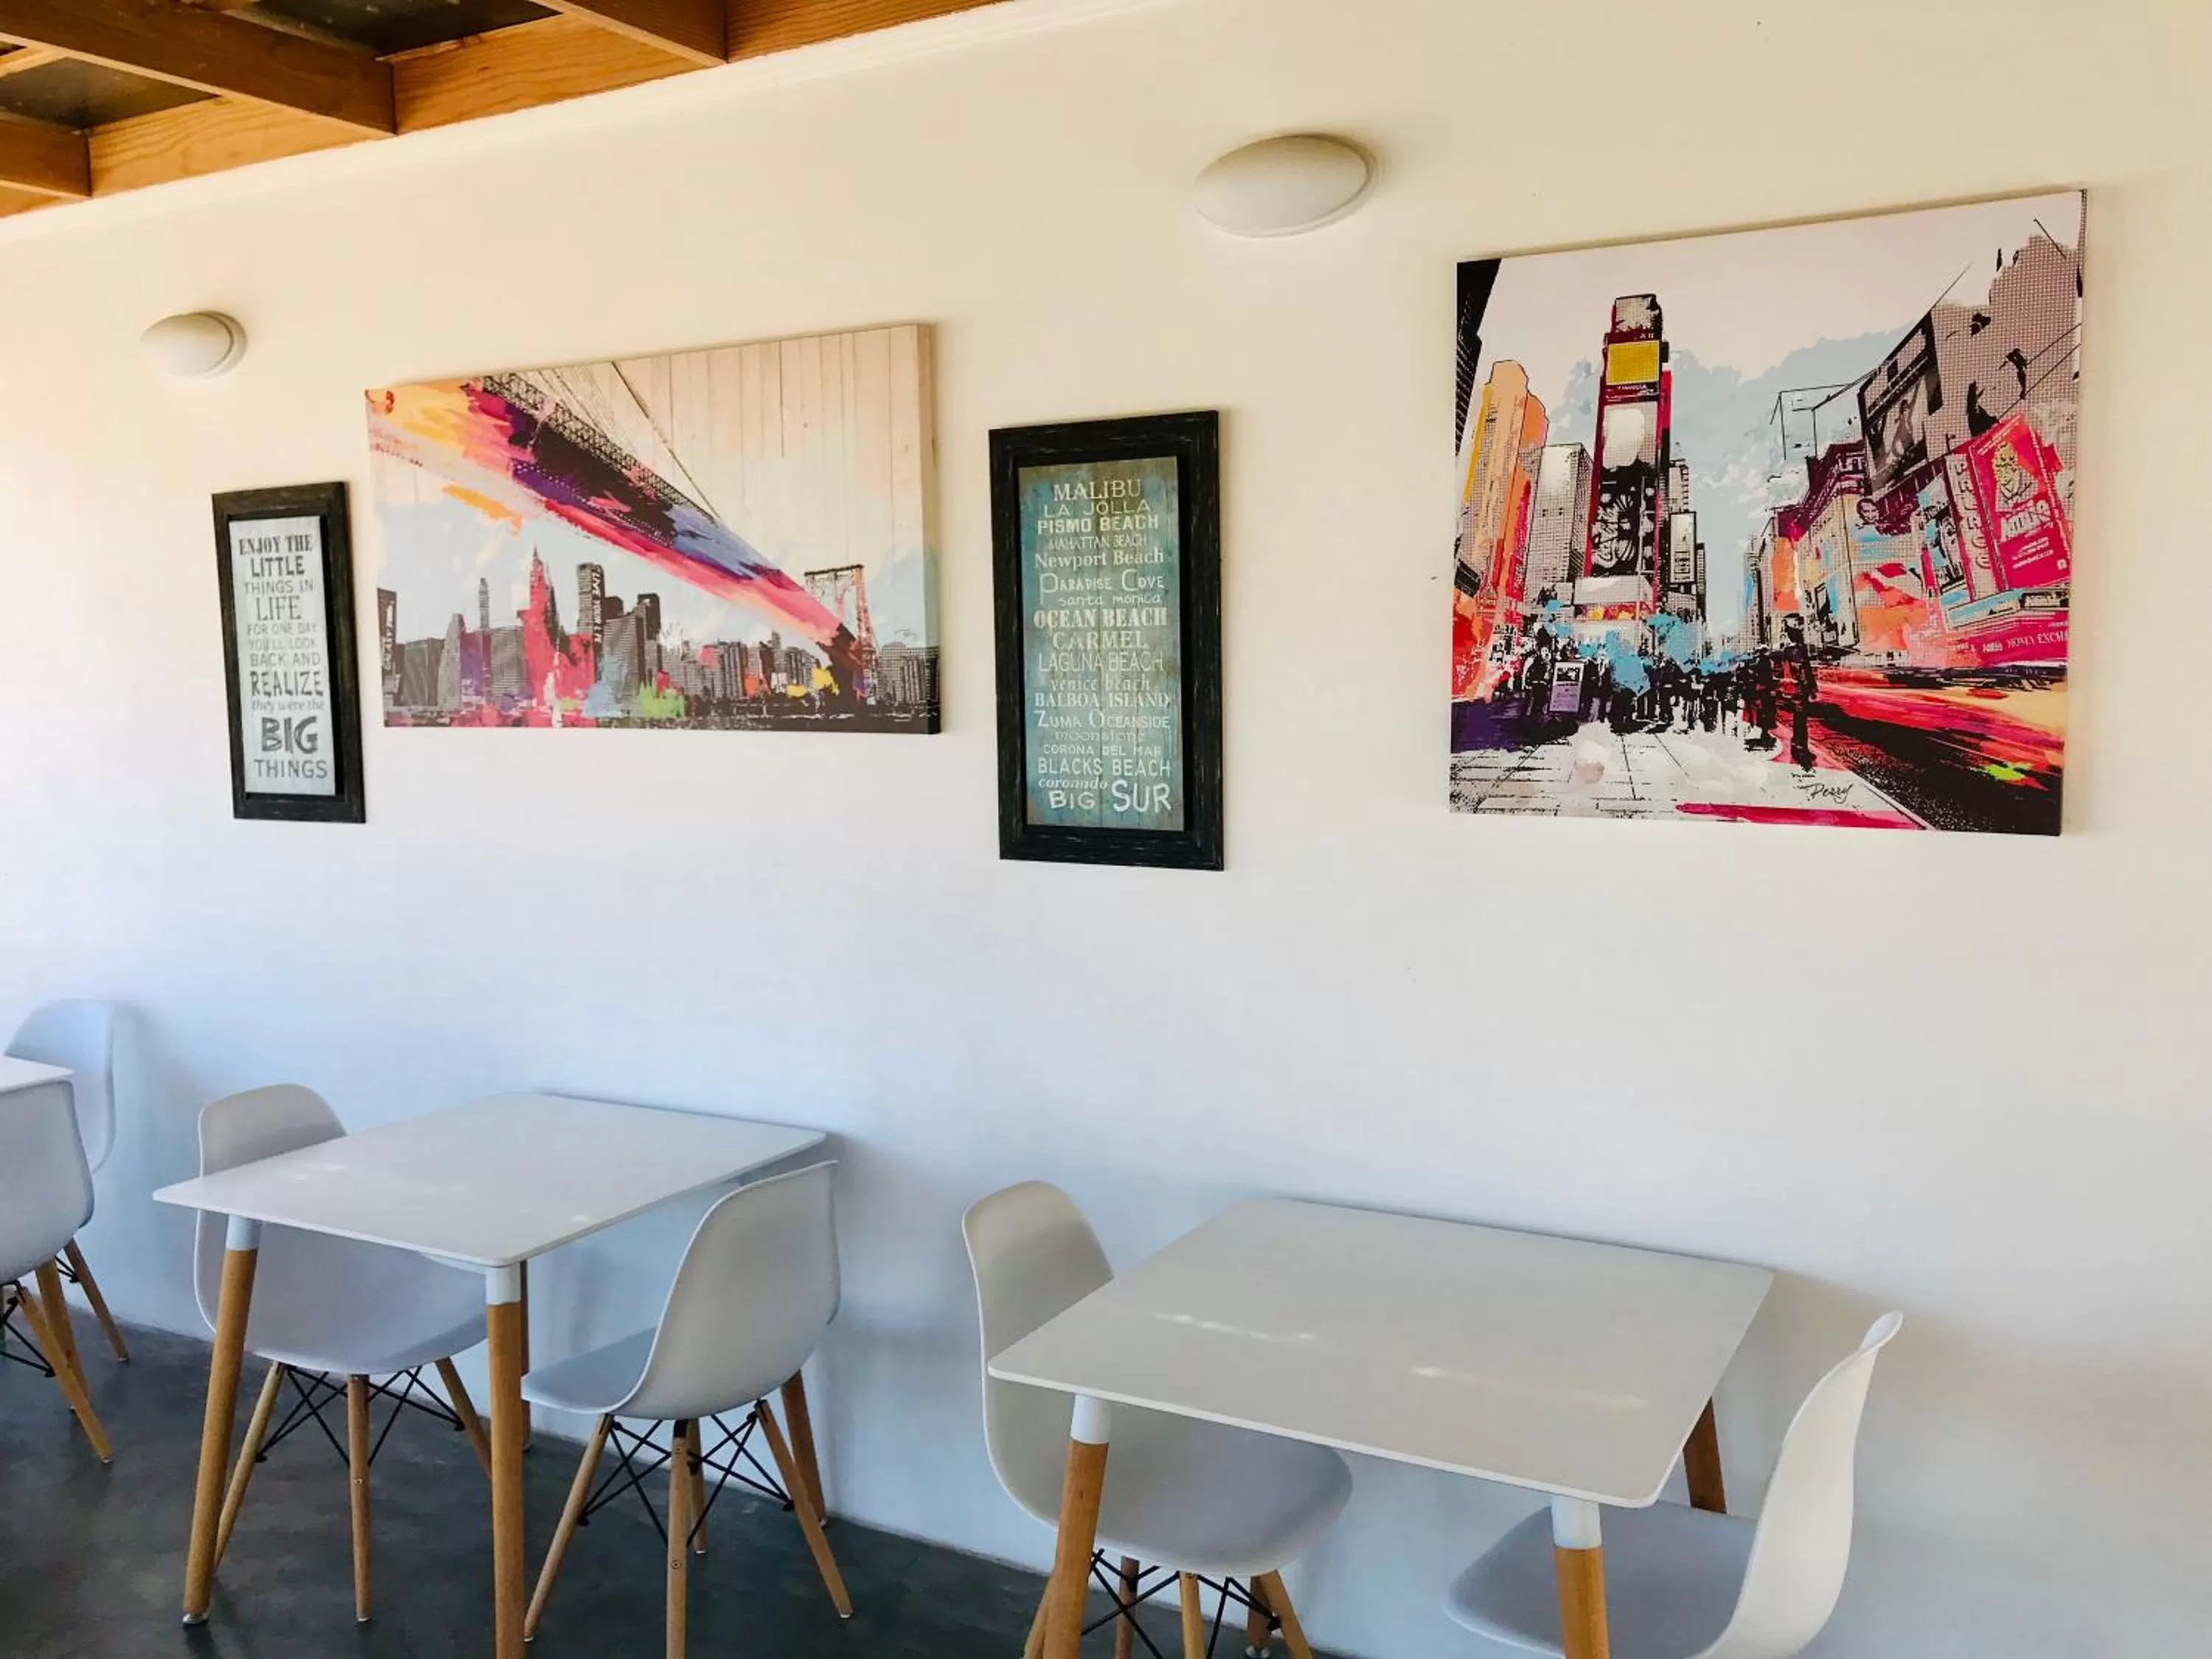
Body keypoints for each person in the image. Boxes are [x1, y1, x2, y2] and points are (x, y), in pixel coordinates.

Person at [1777, 613, 1818, 770]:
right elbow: (1791, 670)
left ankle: (1801, 748)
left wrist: (1812, 688)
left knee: (1800, 720)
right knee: (1800, 720)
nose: (1801, 636)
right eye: (1799, 634)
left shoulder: (1796, 649)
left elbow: (1806, 669)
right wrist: (1808, 687)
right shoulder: (1792, 650)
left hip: (1800, 689)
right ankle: (1800, 750)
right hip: (1798, 689)